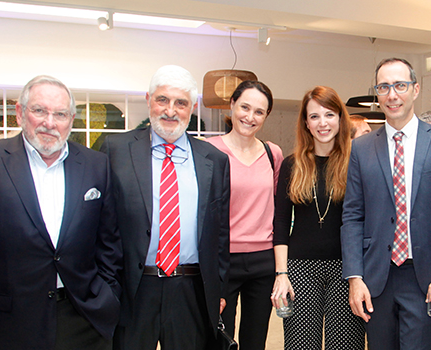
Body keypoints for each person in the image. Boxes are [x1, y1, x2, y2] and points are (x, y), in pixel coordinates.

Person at [0, 75, 121, 350]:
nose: (49, 122)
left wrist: (107, 296)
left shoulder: (96, 165)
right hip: (9, 321)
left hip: (84, 317)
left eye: (59, 114)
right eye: (39, 110)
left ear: (71, 120)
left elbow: (109, 242)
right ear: (20, 113)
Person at [341, 57, 431, 350]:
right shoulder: (361, 149)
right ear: (377, 94)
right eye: (384, 87)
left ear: (415, 89)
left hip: (426, 277)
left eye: (400, 85)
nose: (392, 94)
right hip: (376, 278)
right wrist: (354, 276)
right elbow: (352, 216)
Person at [102, 65, 230, 350]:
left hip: (190, 288)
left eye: (180, 103)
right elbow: (101, 227)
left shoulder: (214, 159)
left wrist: (219, 288)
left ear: (192, 107)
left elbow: (220, 232)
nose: (170, 110)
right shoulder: (115, 150)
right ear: (149, 99)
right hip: (133, 288)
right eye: (163, 99)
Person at [271, 86, 365, 350]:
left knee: (346, 345)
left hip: (346, 270)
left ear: (340, 119)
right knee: (301, 346)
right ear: (306, 123)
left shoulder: (356, 162)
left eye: (329, 114)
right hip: (300, 270)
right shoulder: (292, 164)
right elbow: (280, 222)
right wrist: (281, 273)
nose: (322, 123)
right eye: (314, 116)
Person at [206, 80, 283, 350]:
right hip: (222, 261)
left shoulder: (272, 154)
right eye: (245, 107)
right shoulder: (208, 150)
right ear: (232, 106)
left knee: (255, 340)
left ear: (265, 116)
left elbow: (276, 207)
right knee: (219, 338)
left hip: (263, 262)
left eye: (259, 112)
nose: (250, 117)